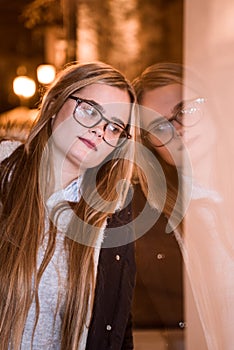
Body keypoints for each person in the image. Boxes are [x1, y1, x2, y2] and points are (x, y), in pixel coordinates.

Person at [0, 61, 137, 350]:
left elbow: (118, 328)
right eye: (89, 110)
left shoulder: (114, 217)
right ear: (54, 104)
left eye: (114, 127)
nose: (100, 130)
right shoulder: (4, 177)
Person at [133, 62, 234, 350]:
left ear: (213, 106)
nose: (178, 129)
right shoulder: (145, 221)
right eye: (159, 126)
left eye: (186, 109)